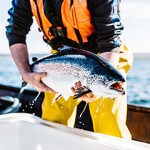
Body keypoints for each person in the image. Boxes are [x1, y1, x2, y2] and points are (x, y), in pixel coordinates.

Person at [6, 0, 133, 139]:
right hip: (62, 58)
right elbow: (16, 30)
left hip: (105, 56)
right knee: (53, 120)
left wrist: (97, 85)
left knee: (109, 123)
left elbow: (110, 38)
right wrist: (25, 73)